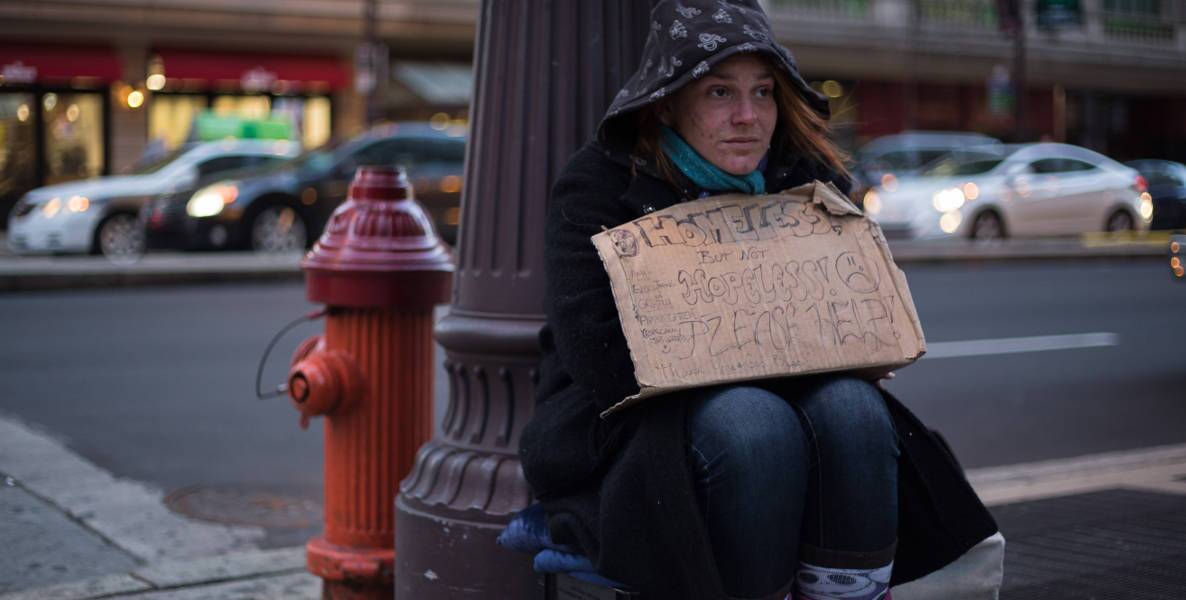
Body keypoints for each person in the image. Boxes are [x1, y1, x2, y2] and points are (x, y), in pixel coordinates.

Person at [519, 2, 1002, 599]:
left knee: (853, 409)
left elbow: (855, 313)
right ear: (668, 102)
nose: (747, 116)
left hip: (796, 400)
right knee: (755, 425)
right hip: (631, 425)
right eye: (719, 92)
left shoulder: (809, 178)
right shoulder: (599, 183)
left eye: (764, 92)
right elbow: (600, 362)